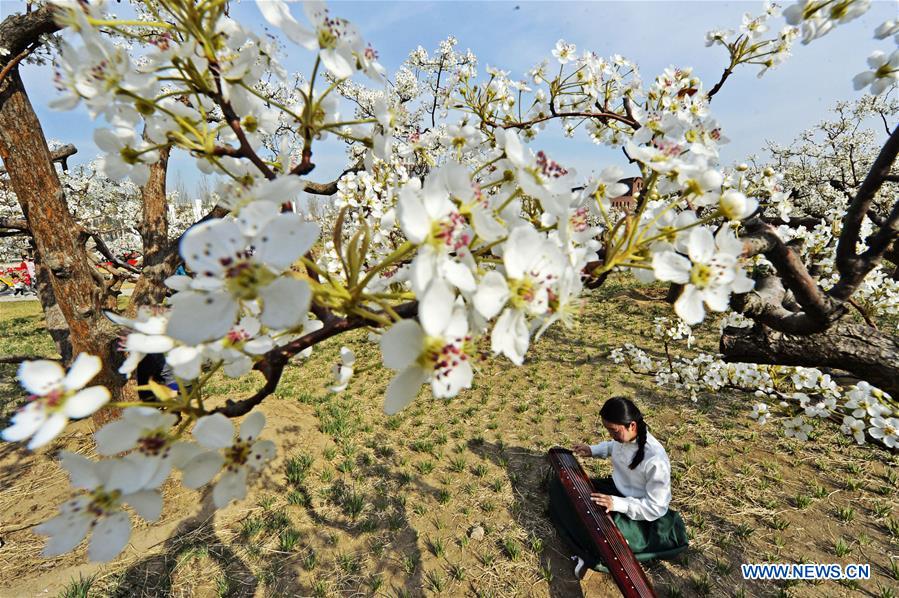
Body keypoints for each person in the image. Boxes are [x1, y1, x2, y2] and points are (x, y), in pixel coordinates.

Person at [548, 396, 689, 579]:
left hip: (638, 512)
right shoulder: (623, 437)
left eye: (613, 430)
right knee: (562, 486)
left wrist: (617, 504)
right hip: (614, 490)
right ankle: (585, 546)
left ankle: (588, 557)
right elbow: (612, 446)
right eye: (608, 430)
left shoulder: (656, 459)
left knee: (603, 537)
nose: (611, 435)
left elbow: (657, 507)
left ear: (632, 425)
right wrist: (592, 450)